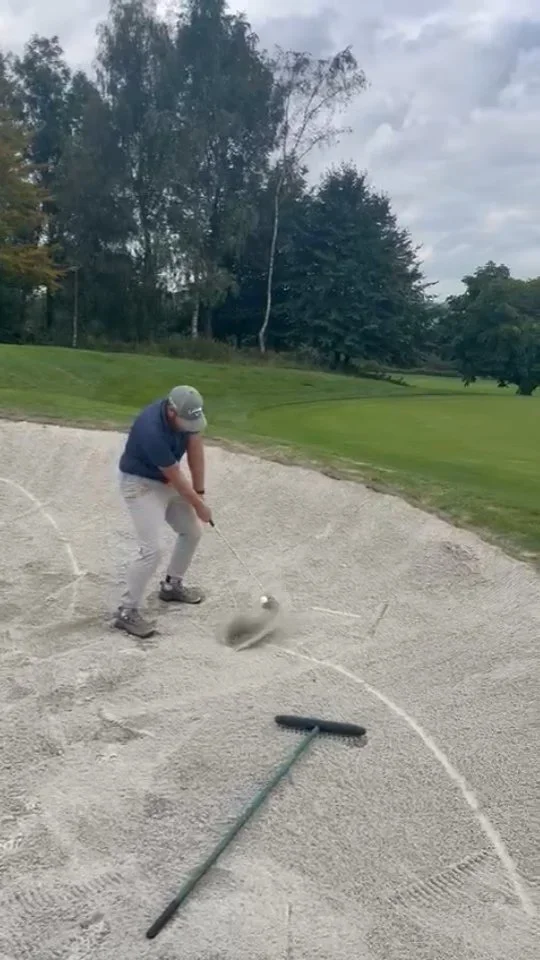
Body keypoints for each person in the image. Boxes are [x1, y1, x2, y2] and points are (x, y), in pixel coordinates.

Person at [114, 385, 213, 638]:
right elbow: (176, 477)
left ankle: (172, 586)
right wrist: (199, 505)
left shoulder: (188, 417)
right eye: (186, 421)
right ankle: (127, 612)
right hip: (140, 484)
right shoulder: (151, 429)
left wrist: (199, 494)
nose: (192, 426)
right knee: (152, 550)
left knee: (192, 531)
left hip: (165, 481)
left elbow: (195, 453)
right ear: (171, 411)